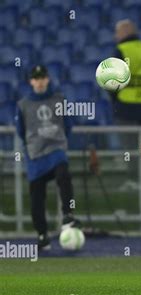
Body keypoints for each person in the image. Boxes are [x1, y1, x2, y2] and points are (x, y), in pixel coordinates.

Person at [15, 65, 80, 250]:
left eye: (43, 77)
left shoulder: (59, 99)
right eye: (36, 78)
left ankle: (68, 213)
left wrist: (58, 141)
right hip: (35, 156)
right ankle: (42, 234)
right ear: (31, 81)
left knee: (63, 173)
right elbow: (21, 131)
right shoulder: (23, 105)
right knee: (37, 196)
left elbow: (68, 125)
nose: (40, 81)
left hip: (55, 149)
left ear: (48, 79)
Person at [112, 19, 141, 125]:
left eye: (117, 32)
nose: (115, 36)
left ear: (124, 32)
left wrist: (114, 101)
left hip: (125, 107)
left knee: (128, 141)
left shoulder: (120, 50)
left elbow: (112, 82)